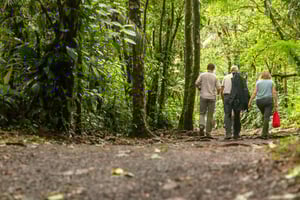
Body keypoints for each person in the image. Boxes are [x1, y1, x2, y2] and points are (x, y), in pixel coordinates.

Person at [248, 71, 278, 139]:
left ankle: (265, 132)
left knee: (265, 117)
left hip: (259, 102)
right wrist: (276, 103)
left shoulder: (258, 82)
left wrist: (250, 101)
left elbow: (254, 93)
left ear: (261, 76)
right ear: (269, 76)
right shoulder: (271, 82)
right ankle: (264, 134)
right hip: (268, 101)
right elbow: (274, 93)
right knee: (266, 117)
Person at [221, 65, 248, 140]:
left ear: (230, 70)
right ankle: (236, 134)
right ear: (237, 70)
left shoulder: (225, 77)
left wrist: (223, 99)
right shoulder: (240, 78)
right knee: (237, 115)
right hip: (237, 98)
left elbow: (222, 89)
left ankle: (228, 134)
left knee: (227, 114)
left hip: (227, 96)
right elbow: (243, 90)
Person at [195, 63, 221, 137]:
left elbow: (196, 83)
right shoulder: (215, 77)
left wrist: (200, 88)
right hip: (212, 97)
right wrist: (217, 94)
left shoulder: (202, 75)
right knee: (210, 115)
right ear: (213, 69)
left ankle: (201, 126)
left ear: (207, 68)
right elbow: (219, 88)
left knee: (202, 113)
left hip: (203, 96)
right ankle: (208, 132)